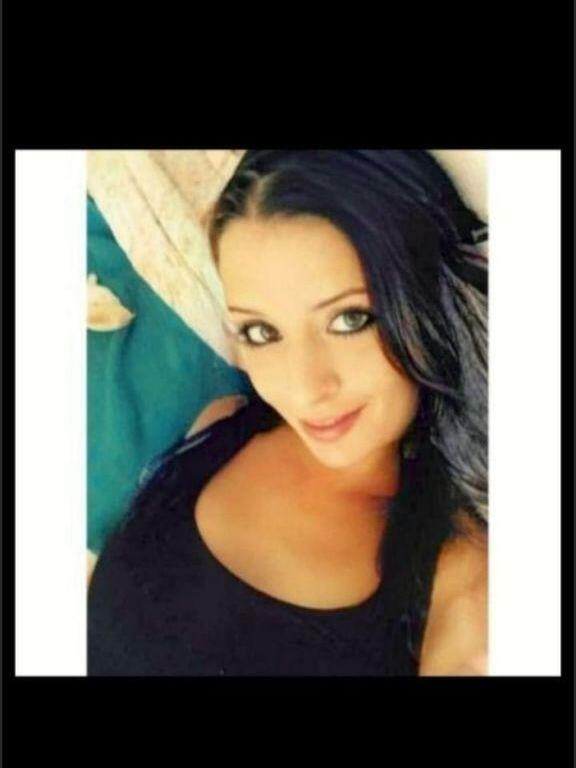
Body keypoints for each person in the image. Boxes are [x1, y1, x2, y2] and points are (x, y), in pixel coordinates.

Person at [88, 149, 488, 676]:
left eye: (350, 319)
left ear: (428, 298)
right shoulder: (217, 425)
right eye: (262, 331)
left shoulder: (465, 589)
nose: (304, 388)